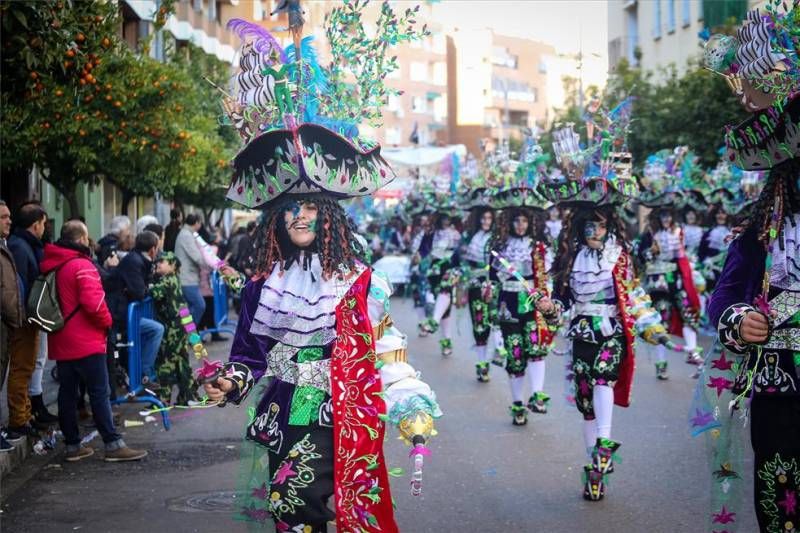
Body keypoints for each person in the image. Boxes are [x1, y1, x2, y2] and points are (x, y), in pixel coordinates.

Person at [205, 16, 440, 531]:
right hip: (286, 413)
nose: (300, 217)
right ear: (276, 217)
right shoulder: (264, 285)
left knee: (343, 513)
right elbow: (250, 352)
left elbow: (385, 349)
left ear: (328, 214)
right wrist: (230, 379)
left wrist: (409, 405)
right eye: (291, 208)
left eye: (311, 207)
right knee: (293, 514)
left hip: (343, 413)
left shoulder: (358, 280)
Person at [701, 9, 799, 530]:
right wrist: (740, 318)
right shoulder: (768, 221)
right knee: (781, 497)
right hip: (780, 377)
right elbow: (725, 294)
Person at [39, 220, 147, 462]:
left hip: (61, 338)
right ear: (80, 240)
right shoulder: (81, 265)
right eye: (86, 238)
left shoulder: (53, 263)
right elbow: (94, 304)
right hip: (87, 340)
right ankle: (112, 443)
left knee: (67, 394)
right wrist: (108, 321)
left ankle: (72, 446)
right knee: (100, 392)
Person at [490, 201, 554, 424]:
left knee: (536, 348)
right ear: (509, 222)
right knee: (515, 355)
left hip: (531, 305)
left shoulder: (538, 247)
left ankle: (537, 394)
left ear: (531, 222)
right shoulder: (500, 247)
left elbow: (548, 276)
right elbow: (491, 279)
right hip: (508, 306)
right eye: (516, 220)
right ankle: (518, 403)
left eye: (524, 220)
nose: (520, 224)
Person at [638, 206, 703, 379]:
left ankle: (693, 354)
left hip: (676, 281)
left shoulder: (678, 231)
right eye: (662, 215)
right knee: (661, 322)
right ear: (657, 216)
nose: (666, 218)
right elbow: (641, 256)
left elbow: (681, 257)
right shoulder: (650, 233)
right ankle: (661, 364)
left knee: (689, 316)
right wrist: (650, 253)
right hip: (657, 285)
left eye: (668, 215)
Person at [6, 202, 50, 438]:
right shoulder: (20, 248)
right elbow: (20, 286)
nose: (8, 221)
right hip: (23, 319)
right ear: (36, 225)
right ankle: (19, 419)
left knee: (28, 366)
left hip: (28, 318)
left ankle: (25, 414)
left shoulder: (24, 245)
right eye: (4, 217)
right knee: (22, 368)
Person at [150, 253, 201, 406]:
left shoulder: (167, 280)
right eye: (157, 261)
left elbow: (155, 293)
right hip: (183, 323)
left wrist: (151, 285)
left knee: (166, 363)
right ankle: (188, 395)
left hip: (174, 328)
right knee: (182, 362)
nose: (158, 264)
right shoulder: (175, 278)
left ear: (173, 266)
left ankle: (163, 399)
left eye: (162, 262)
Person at [114, 230, 164, 386]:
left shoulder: (139, 260)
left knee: (155, 330)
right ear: (152, 249)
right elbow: (140, 292)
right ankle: (144, 373)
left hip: (129, 312)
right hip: (122, 315)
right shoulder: (134, 262)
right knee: (157, 329)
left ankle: (144, 373)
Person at [417, 210, 462, 356]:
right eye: (443, 217)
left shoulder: (457, 234)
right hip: (434, 271)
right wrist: (419, 260)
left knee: (445, 293)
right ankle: (446, 341)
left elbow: (461, 254)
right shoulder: (430, 233)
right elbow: (422, 251)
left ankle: (434, 322)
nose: (446, 220)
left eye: (448, 217)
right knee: (444, 307)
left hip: (450, 270)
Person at [461, 196, 495, 382]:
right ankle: (482, 364)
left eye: (489, 218)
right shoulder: (471, 237)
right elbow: (461, 259)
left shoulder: (499, 237)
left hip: (496, 286)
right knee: (479, 324)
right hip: (476, 285)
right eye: (483, 218)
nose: (486, 222)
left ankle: (497, 353)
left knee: (496, 322)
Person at [0, 200, 23, 452]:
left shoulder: (4, 246)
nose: (9, 220)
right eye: (3, 217)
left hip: (6, 322)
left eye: (9, 216)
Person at [174, 213, 205, 323]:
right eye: (200, 223)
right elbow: (197, 257)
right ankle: (187, 332)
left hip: (187, 278)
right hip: (187, 279)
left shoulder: (187, 234)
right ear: (196, 223)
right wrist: (212, 262)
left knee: (186, 310)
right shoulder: (186, 235)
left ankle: (189, 336)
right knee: (199, 306)